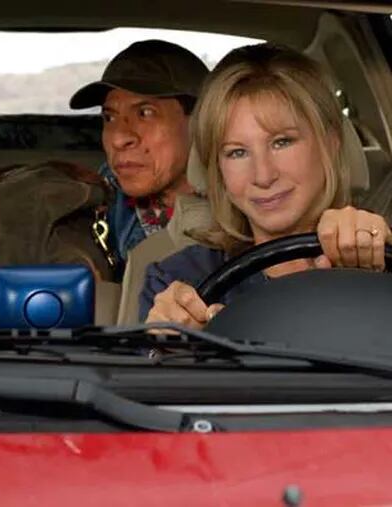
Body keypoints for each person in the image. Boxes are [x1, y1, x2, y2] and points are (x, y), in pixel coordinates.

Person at [141, 43, 390, 326]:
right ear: (218, 169)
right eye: (237, 152)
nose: (263, 175)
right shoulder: (179, 282)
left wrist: (373, 259)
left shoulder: (380, 256)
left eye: (282, 142)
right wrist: (164, 345)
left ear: (331, 143)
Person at [69, 40, 209, 271]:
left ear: (201, 122)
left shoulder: (250, 202)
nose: (118, 138)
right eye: (109, 118)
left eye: (145, 113)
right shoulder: (94, 202)